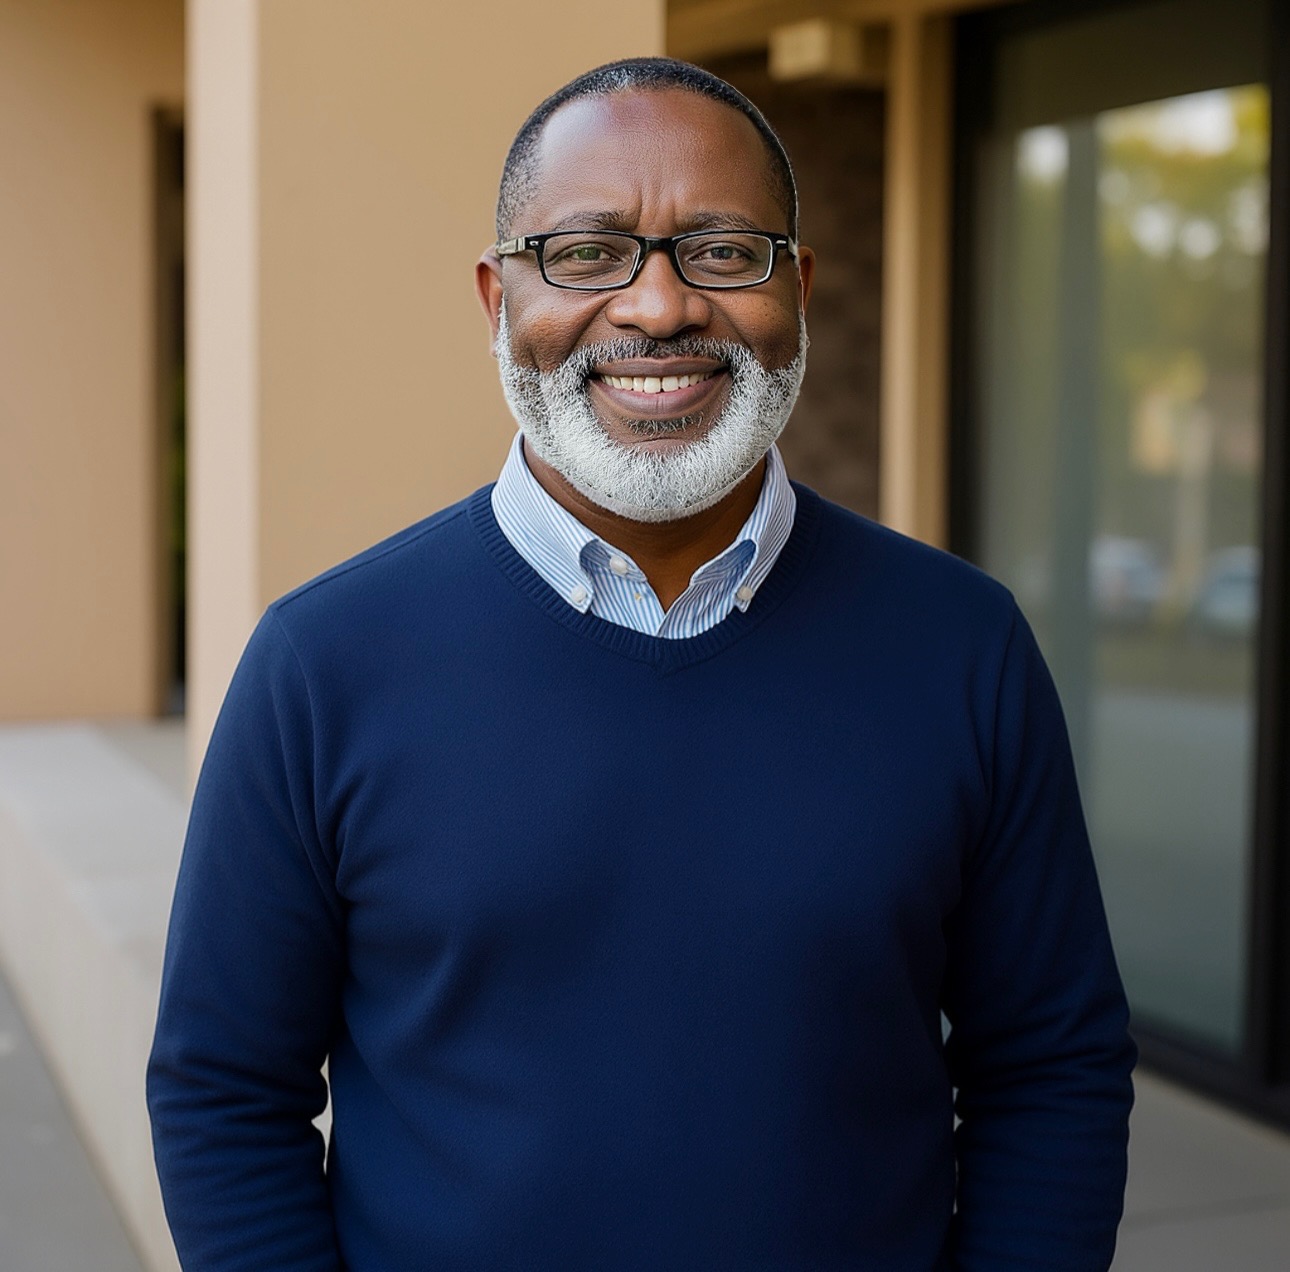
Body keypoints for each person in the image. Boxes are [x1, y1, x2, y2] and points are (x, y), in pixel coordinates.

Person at [148, 57, 1135, 1271]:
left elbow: (1050, 1068)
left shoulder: (964, 648)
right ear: (497, 298)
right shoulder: (321, 666)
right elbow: (224, 1093)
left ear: (798, 289)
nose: (659, 307)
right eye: (586, 253)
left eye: (721, 251)